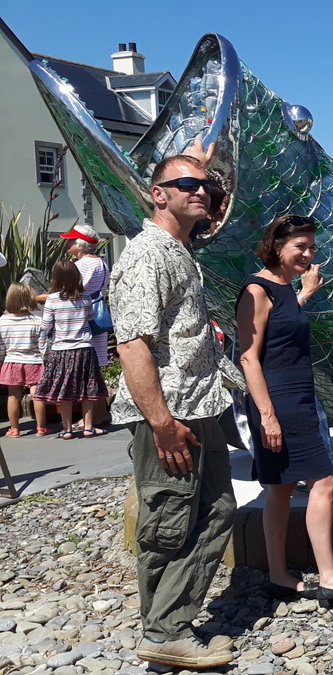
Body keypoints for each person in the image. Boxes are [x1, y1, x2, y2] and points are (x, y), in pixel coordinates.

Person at [110, 151, 236, 669]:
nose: (200, 191)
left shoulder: (179, 251)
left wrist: (203, 156)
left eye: (205, 185)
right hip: (172, 413)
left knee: (206, 513)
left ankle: (164, 627)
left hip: (196, 405)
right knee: (171, 521)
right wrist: (161, 423)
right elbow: (132, 344)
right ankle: (165, 630)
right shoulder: (149, 255)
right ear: (158, 195)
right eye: (186, 184)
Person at [236, 214, 333, 602]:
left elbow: (282, 325)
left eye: (311, 247)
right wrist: (267, 416)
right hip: (277, 400)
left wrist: (303, 294)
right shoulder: (256, 289)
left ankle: (279, 576)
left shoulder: (281, 288)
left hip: (296, 395)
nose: (308, 254)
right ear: (276, 246)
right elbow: (248, 357)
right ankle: (329, 576)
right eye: (300, 246)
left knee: (280, 488)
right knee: (326, 480)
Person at [35, 261, 107, 439]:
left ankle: (66, 429)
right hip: (84, 348)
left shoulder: (52, 299)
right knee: (87, 389)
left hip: (61, 349)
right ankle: (88, 427)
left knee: (64, 391)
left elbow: (45, 327)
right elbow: (90, 318)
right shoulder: (85, 297)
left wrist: (44, 351)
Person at [62, 224, 111, 428]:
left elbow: (73, 291)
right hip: (97, 317)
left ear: (80, 244)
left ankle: (92, 416)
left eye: (72, 240)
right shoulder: (102, 263)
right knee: (96, 367)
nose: (68, 242)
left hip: (81, 319)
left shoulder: (80, 266)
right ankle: (101, 413)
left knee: (87, 369)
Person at [0, 283, 47, 437]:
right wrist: (46, 360)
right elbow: (43, 345)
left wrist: (2, 361)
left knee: (13, 395)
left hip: (12, 361)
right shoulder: (37, 320)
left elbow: (1, 347)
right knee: (37, 394)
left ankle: (14, 429)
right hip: (34, 361)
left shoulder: (2, 321)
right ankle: (41, 427)